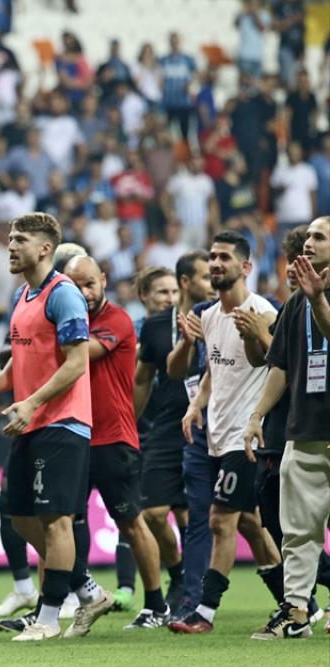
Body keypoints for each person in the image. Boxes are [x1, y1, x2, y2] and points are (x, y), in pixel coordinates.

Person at [0, 213, 111, 642]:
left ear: (45, 248)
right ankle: (88, 590)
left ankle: (48, 618)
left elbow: (77, 362)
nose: (10, 246)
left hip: (63, 421)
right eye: (10, 238)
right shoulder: (22, 295)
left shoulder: (63, 294)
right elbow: (23, 359)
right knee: (18, 516)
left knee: (55, 521)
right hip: (30, 422)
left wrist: (32, 402)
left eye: (20, 239)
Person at [169, 232, 285, 634]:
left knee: (220, 519)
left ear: (245, 267)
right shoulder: (209, 315)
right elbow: (212, 371)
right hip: (217, 435)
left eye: (224, 257)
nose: (216, 263)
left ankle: (204, 612)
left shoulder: (263, 311)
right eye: (213, 257)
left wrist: (259, 335)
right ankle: (299, 604)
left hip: (247, 437)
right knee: (250, 524)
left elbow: (280, 366)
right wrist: (195, 405)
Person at [64, 256, 169, 629]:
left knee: (131, 523)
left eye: (89, 283)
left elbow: (83, 353)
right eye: (75, 285)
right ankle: (71, 598)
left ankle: (156, 605)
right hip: (74, 436)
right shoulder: (67, 321)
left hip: (113, 438)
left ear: (104, 280)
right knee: (63, 523)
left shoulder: (117, 320)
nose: (84, 292)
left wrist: (37, 342)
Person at [247, 216, 330, 638]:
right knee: (297, 530)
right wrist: (257, 414)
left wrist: (318, 300)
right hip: (304, 429)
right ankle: (296, 612)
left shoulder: (310, 298)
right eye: (308, 236)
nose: (309, 242)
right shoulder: (297, 301)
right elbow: (278, 364)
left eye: (320, 237)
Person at [134, 252, 215, 614]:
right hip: (167, 426)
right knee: (152, 513)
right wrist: (130, 423)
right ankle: (180, 574)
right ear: (186, 281)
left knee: (235, 518)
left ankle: (293, 594)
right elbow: (141, 379)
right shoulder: (155, 326)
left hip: (212, 422)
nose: (212, 282)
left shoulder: (220, 316)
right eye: (204, 277)